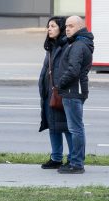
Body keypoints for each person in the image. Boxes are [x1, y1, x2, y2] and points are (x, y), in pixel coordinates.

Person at [52, 15, 95, 175]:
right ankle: (77, 161)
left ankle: (76, 163)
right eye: (67, 26)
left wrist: (59, 84)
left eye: (70, 26)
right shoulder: (77, 43)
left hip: (72, 92)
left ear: (79, 27)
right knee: (77, 128)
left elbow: (73, 70)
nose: (67, 29)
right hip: (73, 91)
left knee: (75, 129)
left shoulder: (78, 45)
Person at [38, 16, 73, 170]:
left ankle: (73, 158)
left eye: (52, 26)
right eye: (48, 26)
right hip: (49, 94)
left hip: (61, 93)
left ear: (61, 28)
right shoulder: (51, 47)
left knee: (66, 127)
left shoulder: (66, 46)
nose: (49, 29)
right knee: (53, 127)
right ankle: (56, 157)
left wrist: (59, 87)